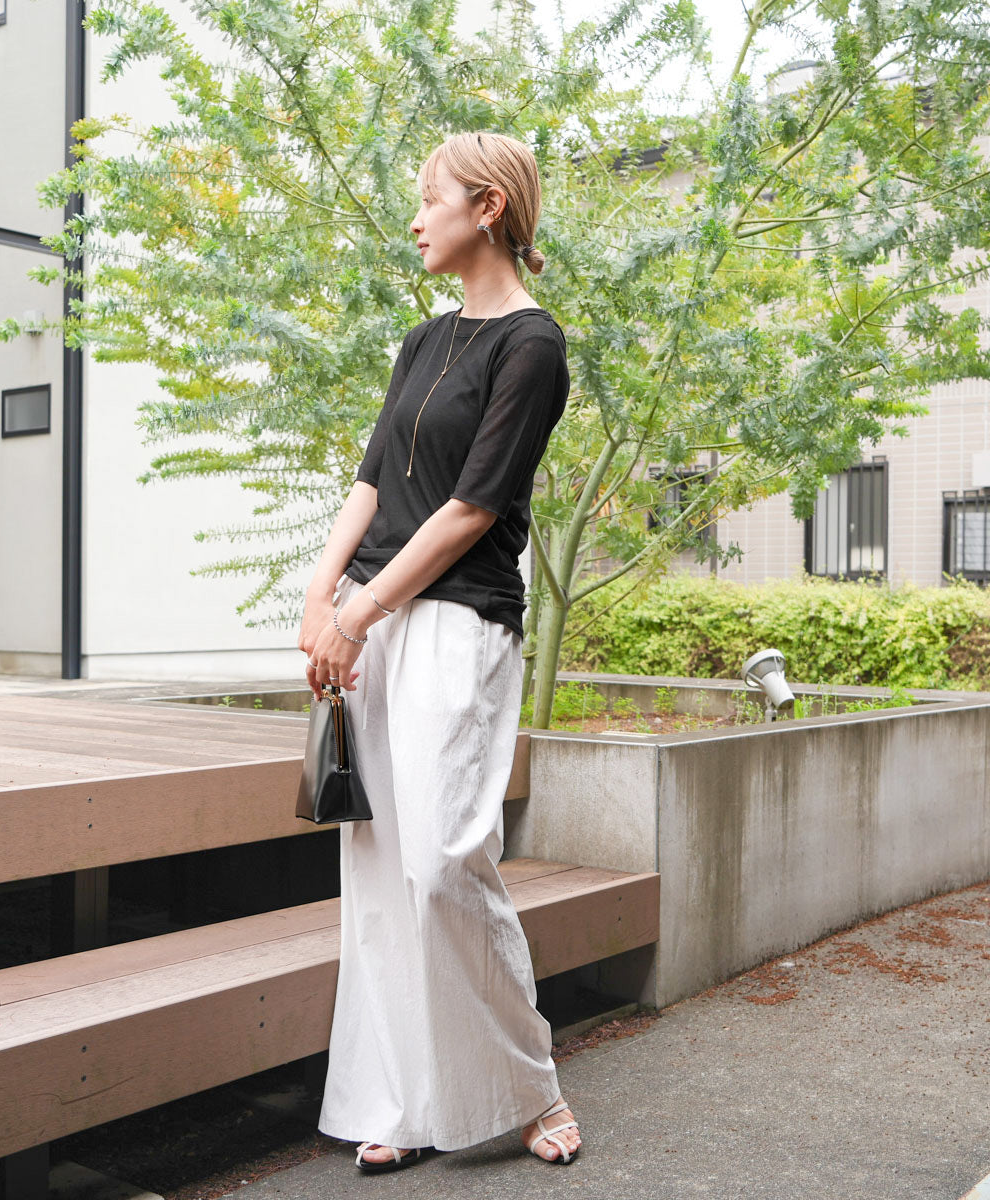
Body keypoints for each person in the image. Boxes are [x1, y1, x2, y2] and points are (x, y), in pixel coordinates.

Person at [297, 130, 582, 1175]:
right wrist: (321, 596)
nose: (415, 219)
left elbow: (472, 508)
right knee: (379, 872)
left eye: (431, 198)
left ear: (488, 207)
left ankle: (529, 1085)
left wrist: (357, 612)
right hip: (372, 616)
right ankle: (404, 1100)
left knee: (443, 864)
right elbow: (372, 479)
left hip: (457, 618)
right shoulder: (422, 342)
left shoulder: (532, 346)